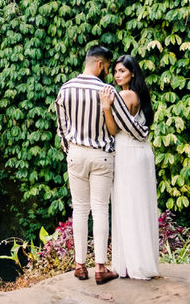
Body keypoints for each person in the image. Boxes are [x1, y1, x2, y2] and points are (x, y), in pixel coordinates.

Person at [55, 45, 150, 284]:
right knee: (99, 210)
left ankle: (79, 266)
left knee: (79, 209)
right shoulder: (107, 91)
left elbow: (62, 127)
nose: (109, 73)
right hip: (101, 156)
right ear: (100, 65)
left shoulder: (65, 89)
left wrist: (71, 151)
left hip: (76, 154)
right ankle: (99, 267)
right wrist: (143, 134)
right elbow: (124, 125)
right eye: (108, 68)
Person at [100, 54, 160, 280]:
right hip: (141, 152)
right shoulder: (141, 95)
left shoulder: (124, 95)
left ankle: (130, 264)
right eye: (115, 71)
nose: (117, 75)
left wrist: (106, 107)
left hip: (128, 152)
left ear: (132, 73)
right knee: (140, 206)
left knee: (128, 206)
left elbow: (114, 130)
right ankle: (141, 261)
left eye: (122, 71)